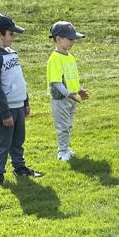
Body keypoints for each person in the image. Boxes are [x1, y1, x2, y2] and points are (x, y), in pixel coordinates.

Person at [0, 13, 44, 187]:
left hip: (18, 107)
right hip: (5, 110)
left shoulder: (12, 54)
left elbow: (19, 80)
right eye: (11, 34)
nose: (13, 37)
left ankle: (19, 167)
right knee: (4, 143)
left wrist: (26, 102)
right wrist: (4, 113)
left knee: (18, 141)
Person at [47, 21, 89, 161]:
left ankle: (66, 148)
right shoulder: (55, 58)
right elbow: (56, 82)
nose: (73, 42)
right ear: (58, 39)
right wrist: (68, 93)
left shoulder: (70, 57)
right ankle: (62, 152)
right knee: (63, 126)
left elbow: (72, 78)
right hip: (61, 99)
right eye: (70, 39)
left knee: (68, 125)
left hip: (72, 98)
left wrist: (79, 90)